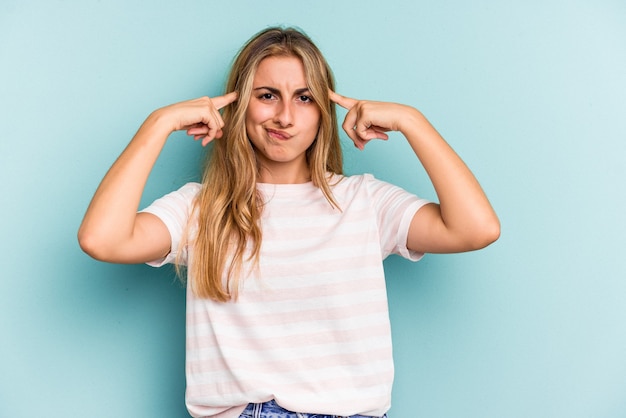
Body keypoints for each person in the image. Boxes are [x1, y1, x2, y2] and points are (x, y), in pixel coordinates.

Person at [78, 26, 499, 418]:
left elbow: (476, 229)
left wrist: (412, 121)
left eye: (303, 97)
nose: (284, 116)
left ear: (323, 111)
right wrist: (158, 124)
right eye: (266, 95)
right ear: (240, 105)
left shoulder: (363, 202)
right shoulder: (202, 208)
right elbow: (103, 239)